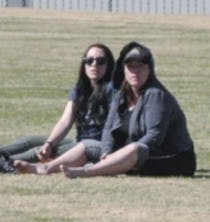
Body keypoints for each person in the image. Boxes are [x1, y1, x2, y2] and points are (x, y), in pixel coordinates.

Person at [23, 42, 196, 178]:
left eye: (140, 66)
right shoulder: (122, 94)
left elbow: (154, 137)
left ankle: (87, 172)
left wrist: (117, 155)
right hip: (133, 155)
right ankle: (46, 168)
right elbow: (108, 128)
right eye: (130, 66)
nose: (135, 71)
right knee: (87, 145)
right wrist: (106, 151)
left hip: (170, 159)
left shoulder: (156, 95)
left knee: (136, 148)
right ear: (123, 69)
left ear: (149, 69)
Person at [0, 43, 115, 174]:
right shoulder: (80, 88)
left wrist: (49, 147)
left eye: (101, 61)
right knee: (31, 140)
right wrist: (49, 143)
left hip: (96, 146)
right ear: (84, 64)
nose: (94, 65)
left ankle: (1, 164)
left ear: (109, 66)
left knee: (45, 150)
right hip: (79, 141)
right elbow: (65, 121)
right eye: (89, 60)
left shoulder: (112, 90)